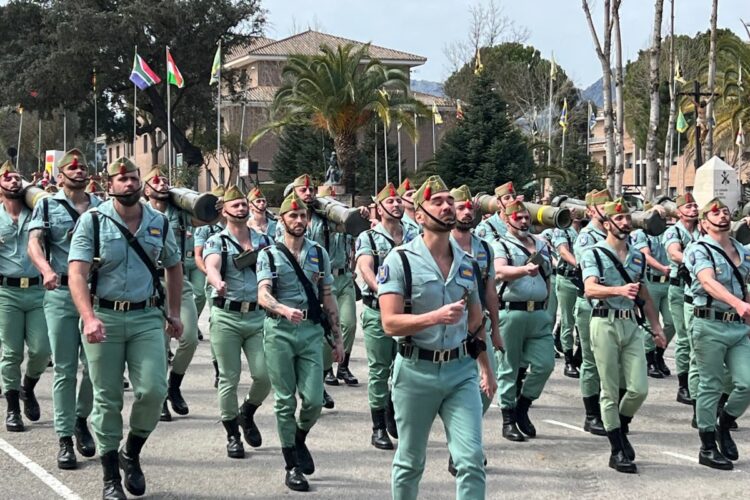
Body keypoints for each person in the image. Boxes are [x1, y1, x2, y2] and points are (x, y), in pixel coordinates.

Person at [68, 157, 184, 499]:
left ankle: (130, 452)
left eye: (133, 179)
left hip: (146, 317)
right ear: (110, 185)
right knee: (107, 399)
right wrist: (88, 317)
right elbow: (76, 273)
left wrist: (174, 312)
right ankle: (110, 478)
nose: (129, 184)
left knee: (152, 390)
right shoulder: (93, 221)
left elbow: (174, 267)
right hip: (103, 315)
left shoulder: (159, 222)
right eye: (122, 180)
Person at [378, 175, 495, 499]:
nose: (447, 206)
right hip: (416, 372)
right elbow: (389, 322)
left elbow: (475, 321)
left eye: (449, 201)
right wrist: (433, 317)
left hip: (460, 373)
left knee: (471, 461)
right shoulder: (399, 260)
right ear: (419, 214)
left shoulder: (469, 264)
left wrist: (485, 367)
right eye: (437, 201)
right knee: (410, 462)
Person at [257, 191, 345, 492]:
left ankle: (298, 439)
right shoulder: (269, 254)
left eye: (302, 216)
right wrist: (282, 308)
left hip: (310, 332)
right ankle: (292, 465)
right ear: (281, 220)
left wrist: (338, 340)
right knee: (284, 401)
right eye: (292, 215)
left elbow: (328, 298)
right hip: (279, 331)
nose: (299, 220)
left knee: (314, 400)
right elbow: (263, 293)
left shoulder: (319, 252)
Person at [581, 197, 666, 474]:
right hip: (603, 322)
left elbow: (644, 295)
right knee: (609, 387)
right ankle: (617, 448)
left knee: (639, 388)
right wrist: (618, 291)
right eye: (619, 219)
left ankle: (620, 424)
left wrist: (656, 327)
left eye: (627, 219)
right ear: (606, 224)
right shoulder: (593, 252)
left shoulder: (638, 256)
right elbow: (590, 289)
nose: (625, 223)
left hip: (631, 325)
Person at [27, 149, 97, 469]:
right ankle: (65, 438)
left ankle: (82, 418)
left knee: (95, 368)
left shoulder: (101, 207)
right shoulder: (46, 204)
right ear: (60, 176)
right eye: (72, 168)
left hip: (95, 294)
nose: (78, 172)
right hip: (60, 294)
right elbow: (35, 242)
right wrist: (45, 269)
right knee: (66, 369)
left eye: (82, 168)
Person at [277, 175, 360, 409]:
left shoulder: (327, 218)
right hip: (309, 285)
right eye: (302, 189)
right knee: (319, 333)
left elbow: (348, 227)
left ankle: (339, 366)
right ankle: (319, 381)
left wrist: (360, 215)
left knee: (348, 324)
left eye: (311, 189)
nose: (308, 193)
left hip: (340, 278)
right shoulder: (288, 223)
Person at [204, 186, 272, 459]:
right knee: (228, 378)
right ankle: (232, 434)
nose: (241, 209)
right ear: (224, 211)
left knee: (264, 376)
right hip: (227, 317)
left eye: (244, 205)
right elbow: (211, 265)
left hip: (257, 316)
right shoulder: (216, 241)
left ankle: (247, 411)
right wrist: (216, 280)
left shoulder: (263, 240)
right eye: (236, 206)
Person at [684, 198, 750, 470]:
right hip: (709, 324)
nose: (722, 217)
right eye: (715, 213)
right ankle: (708, 445)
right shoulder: (699, 249)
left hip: (738, 327)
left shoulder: (741, 249)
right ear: (703, 223)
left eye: (725, 212)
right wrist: (737, 303)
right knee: (710, 385)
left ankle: (723, 423)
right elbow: (708, 281)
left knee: (746, 383)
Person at [355, 183, 418, 451]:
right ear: (379, 209)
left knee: (404, 368)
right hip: (378, 311)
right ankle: (378, 426)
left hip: (409, 311)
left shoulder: (415, 234)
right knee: (380, 369)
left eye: (398, 202)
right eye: (390, 203)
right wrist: (383, 292)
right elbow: (366, 268)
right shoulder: (368, 238)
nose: (396, 205)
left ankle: (395, 410)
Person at [449, 184, 503, 475]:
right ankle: (462, 446)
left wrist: (495, 328)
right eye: (461, 207)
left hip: (477, 325)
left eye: (470, 208)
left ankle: (461, 444)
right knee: (453, 387)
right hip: (446, 325)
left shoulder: (484, 248)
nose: (467, 212)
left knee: (487, 388)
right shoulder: (442, 245)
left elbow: (490, 291)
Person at [493, 200, 555, 442]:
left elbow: (547, 275)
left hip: (538, 312)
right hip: (512, 311)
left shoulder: (541, 244)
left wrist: (547, 303)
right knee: (509, 366)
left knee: (545, 364)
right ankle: (508, 419)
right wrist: (522, 270)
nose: (523, 221)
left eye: (526, 217)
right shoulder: (500, 244)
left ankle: (523, 407)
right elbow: (499, 271)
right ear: (507, 220)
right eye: (518, 217)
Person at [141, 167, 200, 422]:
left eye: (165, 181)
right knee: (161, 345)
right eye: (157, 182)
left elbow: (206, 219)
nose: (163, 185)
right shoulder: (139, 212)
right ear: (146, 189)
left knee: (189, 339)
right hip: (150, 283)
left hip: (178, 281)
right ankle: (163, 395)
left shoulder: (180, 211)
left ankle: (174, 384)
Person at [0, 160, 51, 433]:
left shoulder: (38, 213)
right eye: (7, 178)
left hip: (37, 290)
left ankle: (28, 387)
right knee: (11, 352)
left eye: (17, 178)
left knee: (42, 349)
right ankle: (12, 409)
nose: (13, 181)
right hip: (6, 293)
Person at [573, 189, 612, 436]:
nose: (607, 210)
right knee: (591, 361)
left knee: (611, 362)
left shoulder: (615, 235)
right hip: (590, 305)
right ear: (591, 211)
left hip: (614, 306)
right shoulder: (587, 238)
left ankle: (609, 409)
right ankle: (591, 414)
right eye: (602, 206)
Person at [663, 192, 701, 405]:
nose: (693, 210)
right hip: (679, 290)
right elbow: (675, 253)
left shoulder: (702, 229)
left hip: (699, 290)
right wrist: (700, 259)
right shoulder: (673, 232)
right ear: (678, 212)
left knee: (698, 339)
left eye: (695, 206)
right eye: (688, 207)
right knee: (684, 337)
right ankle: (683, 385)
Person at [630, 202, 674, 378]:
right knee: (650, 322)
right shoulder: (640, 234)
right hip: (652, 282)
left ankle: (659, 353)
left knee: (671, 323)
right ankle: (648, 359)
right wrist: (663, 268)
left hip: (668, 283)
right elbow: (645, 256)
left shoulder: (667, 233)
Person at [194, 185, 226, 388]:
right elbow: (199, 255)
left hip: (241, 288)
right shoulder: (205, 227)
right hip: (215, 282)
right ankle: (218, 369)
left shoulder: (241, 226)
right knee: (217, 325)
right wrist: (212, 275)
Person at [552, 210, 584, 378]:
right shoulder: (561, 230)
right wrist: (581, 265)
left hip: (585, 280)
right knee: (568, 320)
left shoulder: (586, 230)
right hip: (568, 278)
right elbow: (563, 251)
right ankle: (569, 360)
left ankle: (580, 355)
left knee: (583, 320)